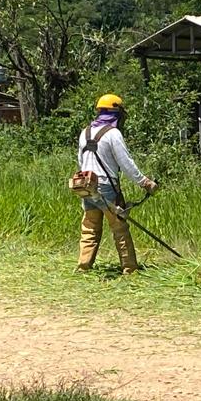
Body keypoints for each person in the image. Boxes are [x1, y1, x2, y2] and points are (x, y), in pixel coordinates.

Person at [76, 94, 158, 274]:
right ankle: (129, 268)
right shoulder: (113, 134)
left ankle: (83, 266)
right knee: (119, 227)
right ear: (117, 114)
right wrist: (144, 182)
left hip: (85, 185)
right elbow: (125, 163)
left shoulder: (85, 132)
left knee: (89, 227)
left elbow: (81, 161)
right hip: (105, 187)